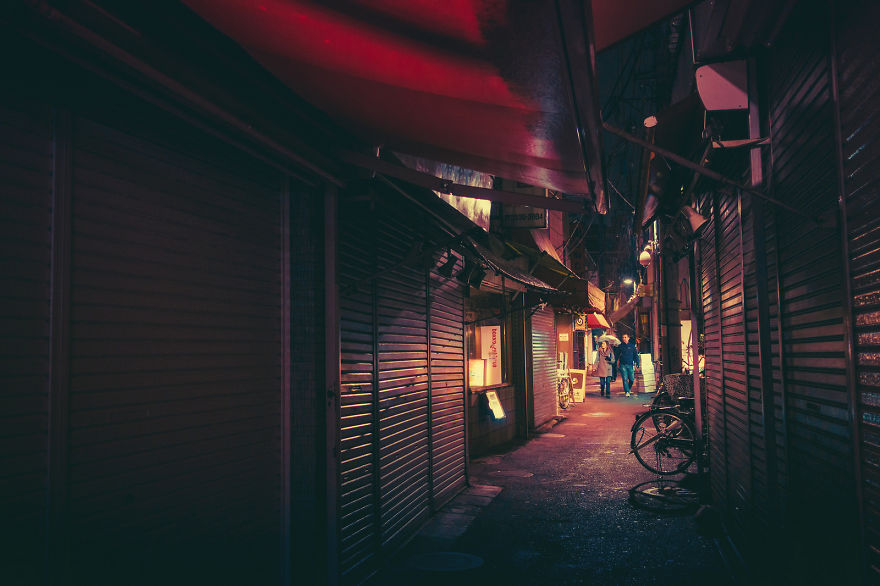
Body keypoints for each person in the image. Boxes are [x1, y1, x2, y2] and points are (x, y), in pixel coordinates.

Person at [616, 333, 641, 397]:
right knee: (625, 379)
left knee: (632, 379)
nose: (624, 338)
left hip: (630, 364)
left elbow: (635, 355)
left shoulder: (632, 346)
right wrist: (616, 363)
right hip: (622, 365)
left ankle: (628, 388)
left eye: (625, 337)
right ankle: (627, 391)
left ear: (628, 338)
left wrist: (637, 363)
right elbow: (616, 355)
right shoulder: (620, 346)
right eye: (623, 337)